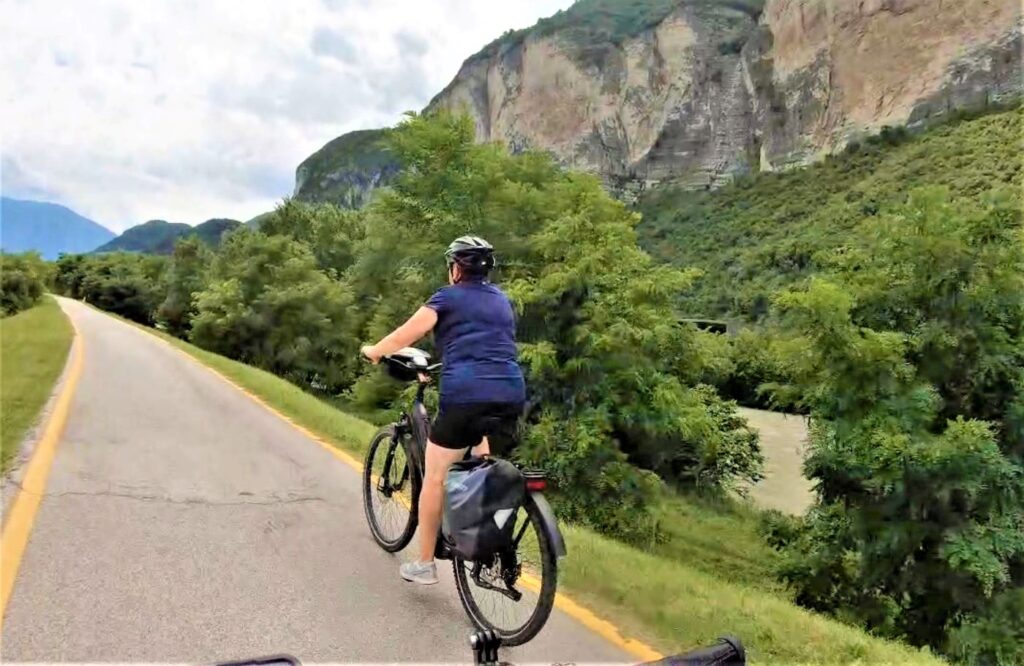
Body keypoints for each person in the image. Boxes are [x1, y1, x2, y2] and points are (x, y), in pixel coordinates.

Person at [360, 236, 526, 585]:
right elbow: (484, 344)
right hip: (510, 394)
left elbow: (406, 335)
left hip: (465, 395)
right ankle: (486, 536)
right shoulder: (502, 300)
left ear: (455, 268)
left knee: (436, 475)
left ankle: (424, 564)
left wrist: (375, 350)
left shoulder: (446, 297)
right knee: (480, 459)